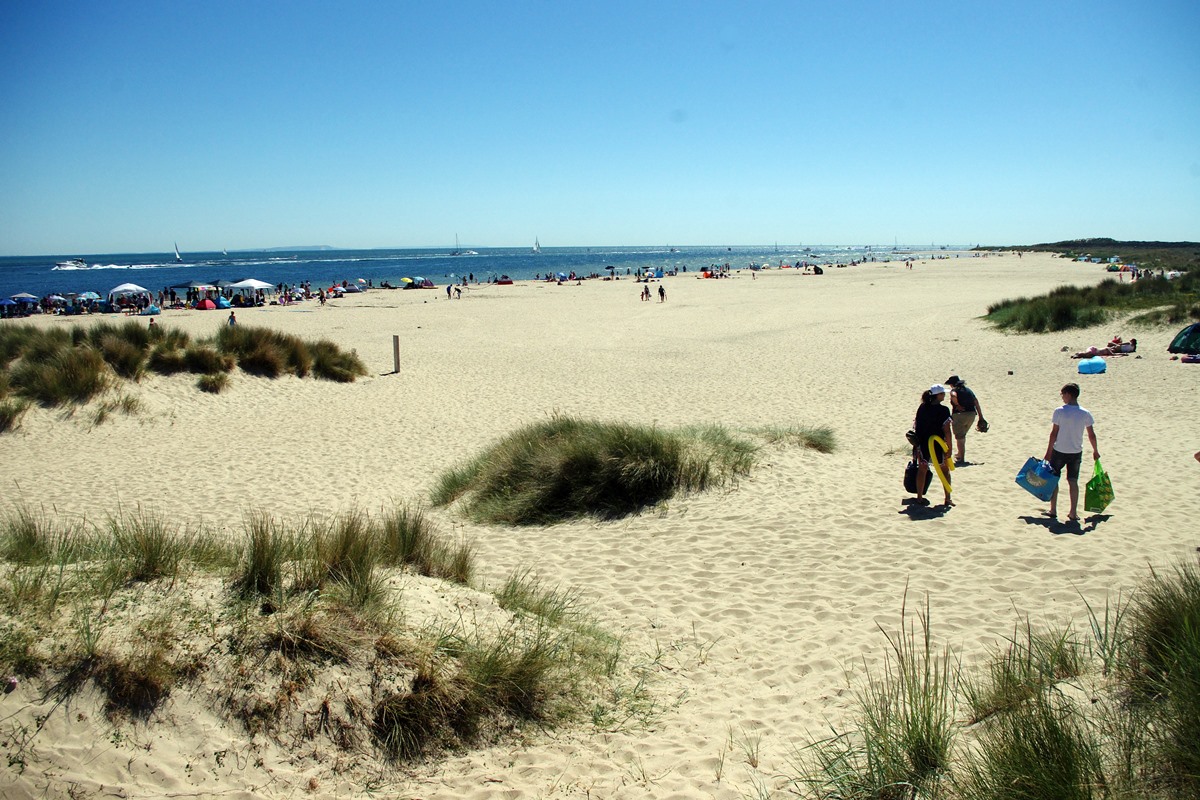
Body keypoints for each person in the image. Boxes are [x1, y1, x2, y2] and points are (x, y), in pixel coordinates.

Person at [1044, 383, 1099, 522]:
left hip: (1059, 450)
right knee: (1073, 481)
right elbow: (1091, 435)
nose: (1062, 397)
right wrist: (1095, 450)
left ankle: (1053, 509)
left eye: (1063, 394)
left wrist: (1048, 451)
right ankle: (1073, 512)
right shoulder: (1085, 413)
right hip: (1076, 451)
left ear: (1068, 394)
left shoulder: (1060, 411)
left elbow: (1054, 433)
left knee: (1054, 479)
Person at [913, 385, 953, 507]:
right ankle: (947, 498)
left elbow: (916, 425)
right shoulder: (943, 410)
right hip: (937, 444)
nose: (944, 396)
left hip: (923, 443)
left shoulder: (922, 407)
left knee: (922, 469)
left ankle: (919, 497)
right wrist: (950, 447)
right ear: (938, 395)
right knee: (944, 470)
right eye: (942, 394)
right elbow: (947, 430)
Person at [945, 375, 986, 465]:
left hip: (959, 415)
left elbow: (953, 395)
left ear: (952, 384)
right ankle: (959, 454)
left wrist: (957, 405)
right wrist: (981, 417)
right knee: (962, 435)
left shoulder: (954, 390)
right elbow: (976, 402)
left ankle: (961, 458)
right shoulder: (969, 391)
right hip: (971, 414)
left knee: (959, 437)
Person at [1072, 339, 1136, 358]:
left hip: (1094, 351)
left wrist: (1123, 354)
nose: (1113, 348)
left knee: (1086, 355)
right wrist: (1123, 354)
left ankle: (1077, 355)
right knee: (1086, 354)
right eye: (1113, 348)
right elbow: (1113, 355)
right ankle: (1077, 354)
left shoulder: (1108, 350)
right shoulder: (1107, 349)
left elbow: (1113, 354)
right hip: (1094, 350)